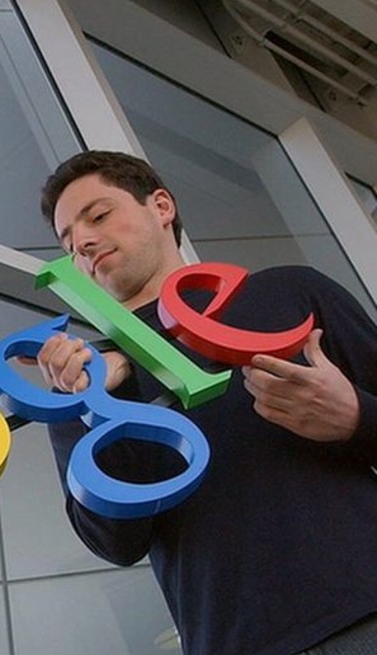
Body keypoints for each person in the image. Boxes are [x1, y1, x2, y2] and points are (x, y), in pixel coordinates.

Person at [34, 150, 377, 655]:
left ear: (161, 206)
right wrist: (103, 401)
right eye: (67, 242)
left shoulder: (289, 293)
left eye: (99, 215)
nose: (82, 242)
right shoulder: (83, 378)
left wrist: (355, 417)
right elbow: (115, 543)